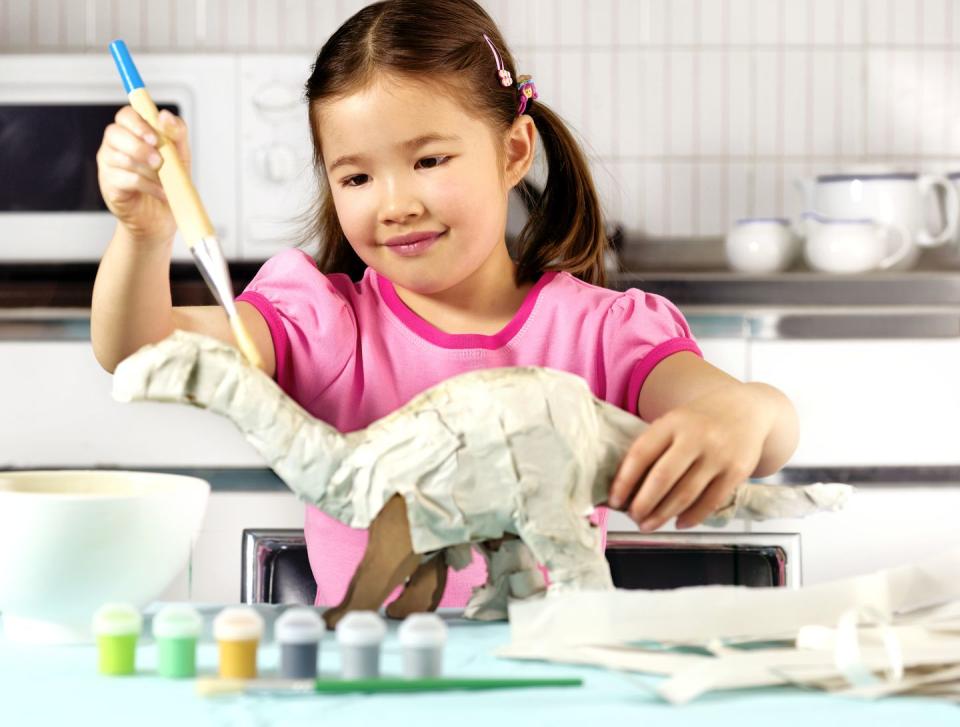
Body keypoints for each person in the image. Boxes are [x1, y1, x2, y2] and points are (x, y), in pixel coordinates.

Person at [91, 0, 799, 609]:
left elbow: (763, 427)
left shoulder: (600, 333)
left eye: (429, 160)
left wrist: (744, 412)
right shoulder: (322, 325)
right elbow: (138, 349)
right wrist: (144, 232)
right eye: (358, 175)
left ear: (514, 150)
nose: (397, 203)